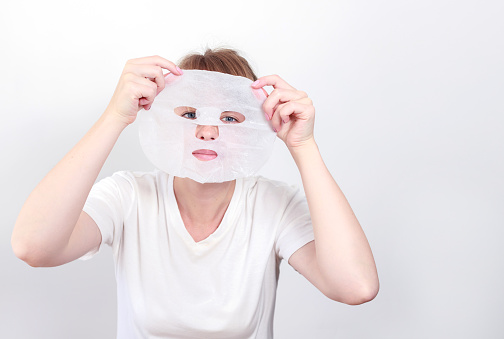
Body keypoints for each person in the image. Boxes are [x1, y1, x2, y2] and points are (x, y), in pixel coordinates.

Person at [12, 48, 379, 338]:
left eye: (230, 118)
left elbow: (356, 287)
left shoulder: (273, 205)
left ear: (258, 125)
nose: (207, 131)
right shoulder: (129, 196)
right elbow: (34, 247)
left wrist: (303, 145)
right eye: (189, 114)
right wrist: (115, 117)